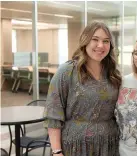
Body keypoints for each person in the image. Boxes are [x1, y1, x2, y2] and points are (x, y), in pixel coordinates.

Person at [44, 21, 122, 156]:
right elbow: (53, 113)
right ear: (85, 41)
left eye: (106, 41)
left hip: (108, 144)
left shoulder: (113, 73)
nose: (100, 45)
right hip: (75, 146)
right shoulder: (67, 71)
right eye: (95, 40)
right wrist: (57, 151)